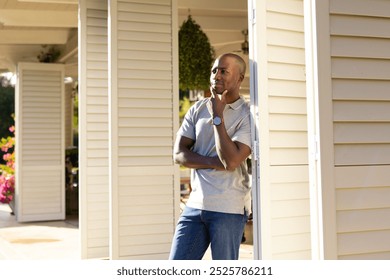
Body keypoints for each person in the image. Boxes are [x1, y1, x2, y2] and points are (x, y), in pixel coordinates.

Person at [169, 53, 252, 260]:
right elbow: (179, 154)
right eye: (214, 70)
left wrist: (218, 116)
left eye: (224, 71)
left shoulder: (248, 115)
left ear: (240, 78)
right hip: (195, 205)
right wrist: (215, 162)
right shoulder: (197, 108)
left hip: (228, 208)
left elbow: (232, 160)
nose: (217, 75)